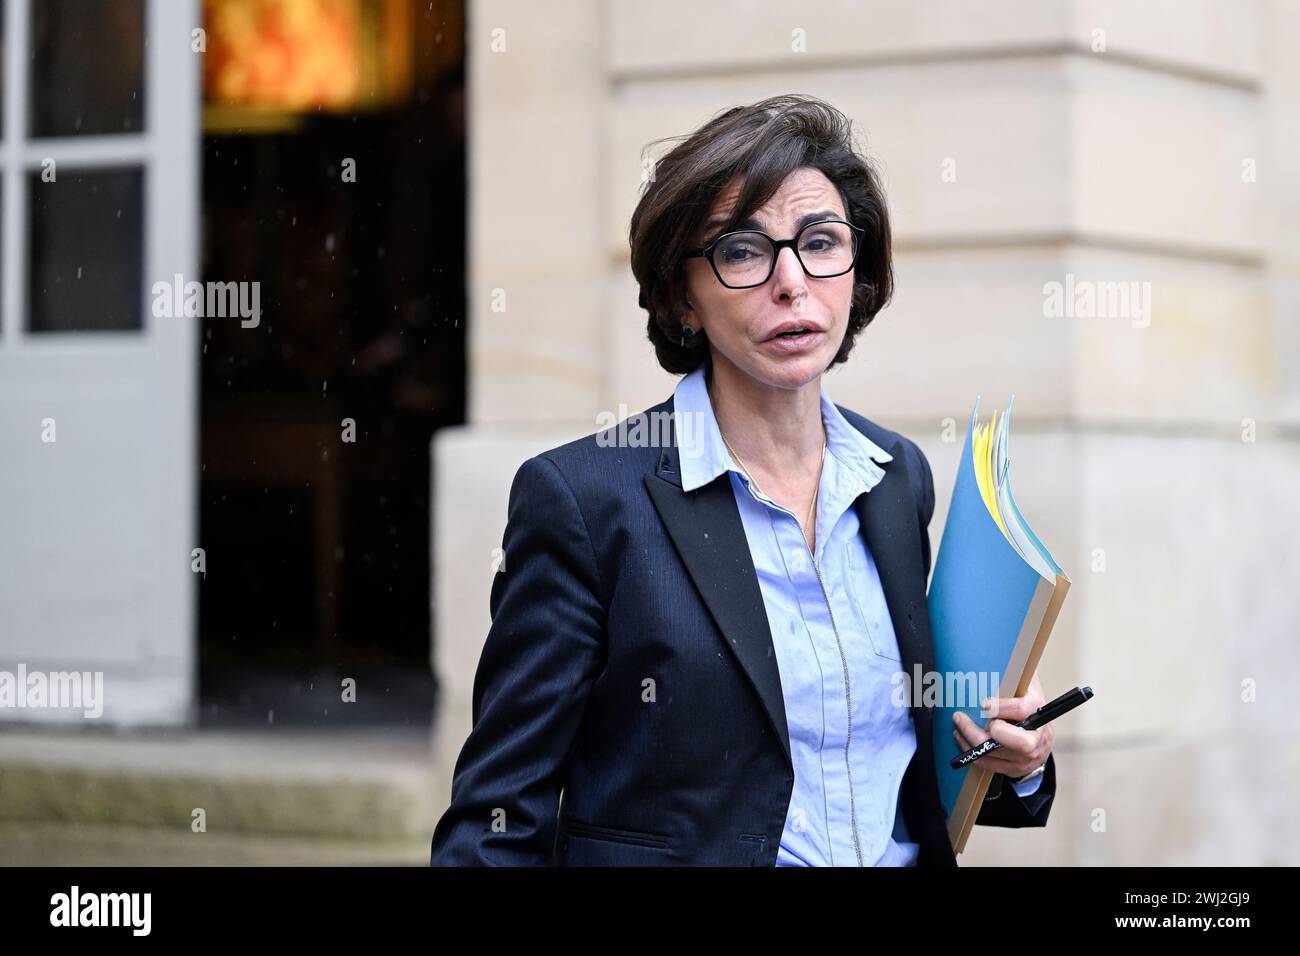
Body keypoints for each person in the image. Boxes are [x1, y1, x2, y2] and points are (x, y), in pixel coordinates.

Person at [430, 94, 1055, 866]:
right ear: (684, 297)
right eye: (742, 251)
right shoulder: (585, 502)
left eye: (820, 242)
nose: (791, 282)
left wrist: (1012, 764)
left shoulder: (896, 478)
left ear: (856, 273)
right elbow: (497, 822)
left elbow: (893, 763)